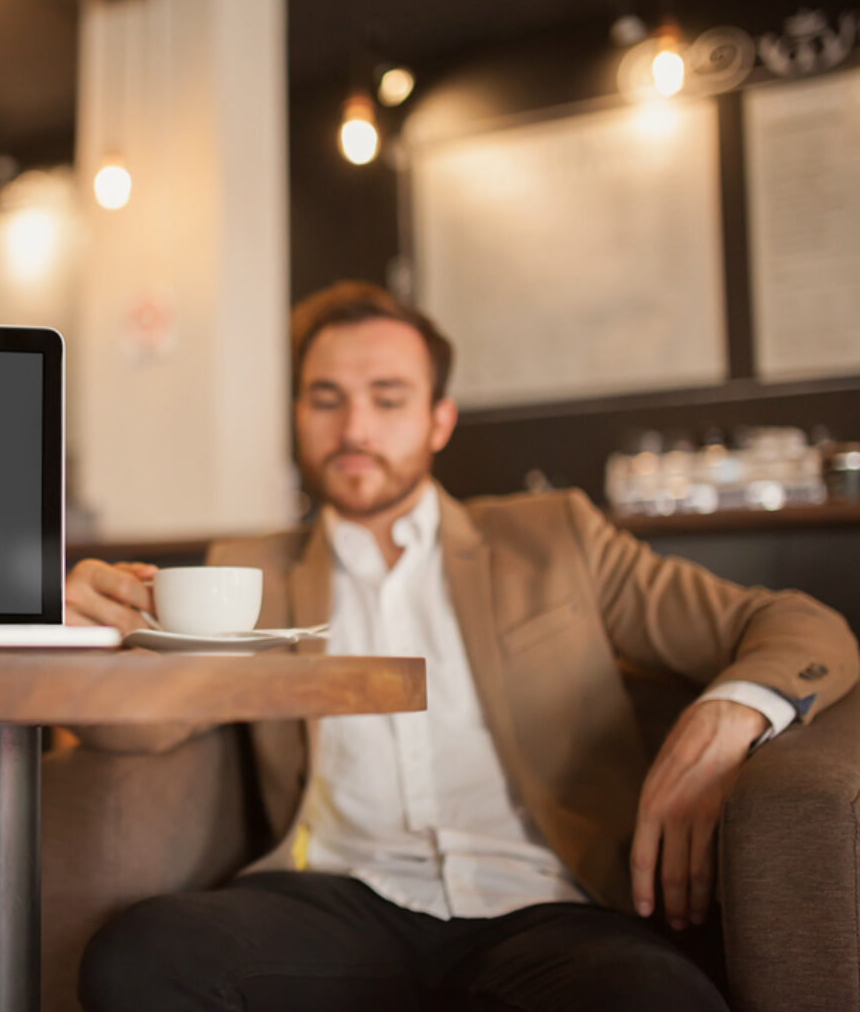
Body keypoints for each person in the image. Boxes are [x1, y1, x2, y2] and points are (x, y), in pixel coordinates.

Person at [64, 281, 858, 1012]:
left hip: (549, 907)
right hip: (332, 900)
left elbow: (802, 624)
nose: (354, 429)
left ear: (440, 418)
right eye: (326, 399)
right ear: (297, 413)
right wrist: (86, 634)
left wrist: (732, 712)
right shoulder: (250, 569)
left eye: (388, 398)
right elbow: (142, 725)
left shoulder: (556, 538)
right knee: (138, 958)